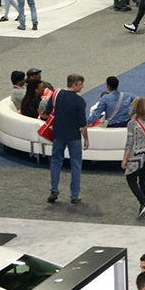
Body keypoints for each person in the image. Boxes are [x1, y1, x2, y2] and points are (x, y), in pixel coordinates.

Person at [45, 74, 89, 204]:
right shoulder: (80, 101)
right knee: (75, 164)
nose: (82, 86)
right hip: (74, 137)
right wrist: (86, 139)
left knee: (55, 162)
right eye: (81, 84)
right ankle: (74, 195)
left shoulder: (56, 94)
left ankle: (54, 189)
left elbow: (47, 111)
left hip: (58, 134)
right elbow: (82, 124)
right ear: (75, 85)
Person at [123, 97, 145, 218]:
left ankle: (143, 202)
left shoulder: (132, 123)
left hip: (136, 157)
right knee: (143, 180)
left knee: (131, 179)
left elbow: (129, 143)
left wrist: (124, 159)